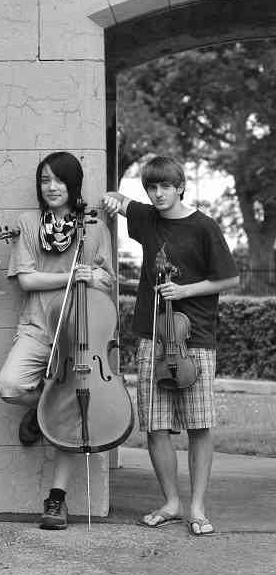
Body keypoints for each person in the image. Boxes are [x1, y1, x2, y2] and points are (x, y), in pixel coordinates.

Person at [102, 156, 239, 536]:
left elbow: (228, 279)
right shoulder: (147, 219)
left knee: (199, 425)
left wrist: (185, 290)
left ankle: (197, 506)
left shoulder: (204, 227)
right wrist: (113, 198)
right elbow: (117, 199)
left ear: (180, 186)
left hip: (192, 339)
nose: (158, 193)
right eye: (152, 187)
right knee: (156, 426)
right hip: (152, 336)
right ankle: (172, 503)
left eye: (165, 186)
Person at [0, 151, 115, 531]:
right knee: (10, 385)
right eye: (45, 180)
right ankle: (43, 406)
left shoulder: (93, 227)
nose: (51, 187)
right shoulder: (29, 223)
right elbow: (27, 279)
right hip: (38, 327)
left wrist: (95, 277)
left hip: (81, 335)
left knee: (74, 409)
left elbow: (108, 280)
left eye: (59, 180)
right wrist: (71, 277)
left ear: (73, 184)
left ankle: (57, 500)